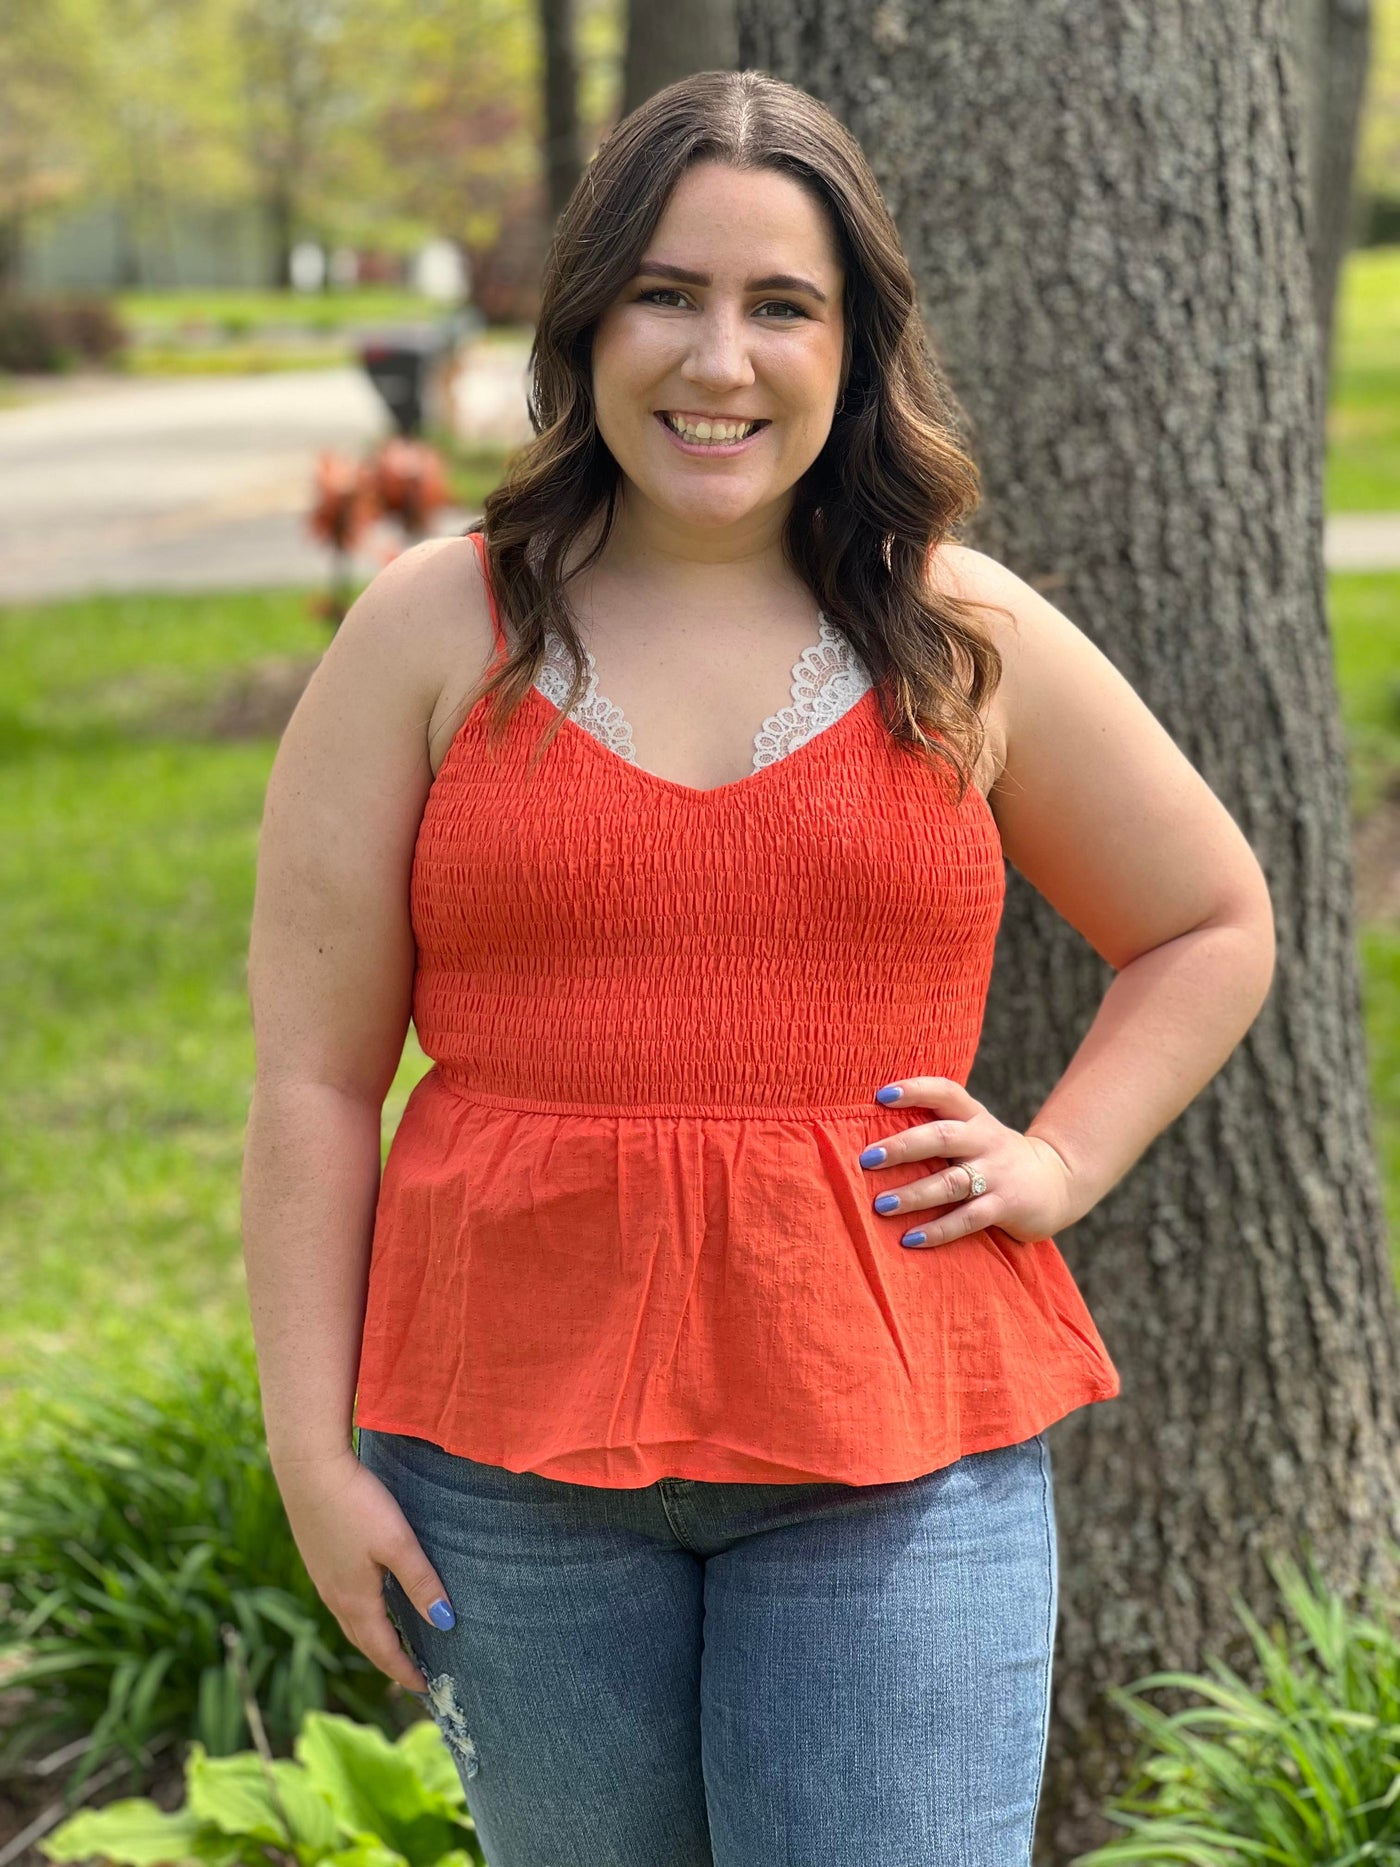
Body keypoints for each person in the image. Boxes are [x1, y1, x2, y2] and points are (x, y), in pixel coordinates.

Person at [241, 68, 1276, 1867]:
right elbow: (316, 1082)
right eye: (669, 293)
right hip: (506, 1473)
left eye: (780, 306)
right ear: (589, 321)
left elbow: (1208, 923)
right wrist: (312, 1458)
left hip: (899, 1450)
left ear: (854, 346)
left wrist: (1058, 1161)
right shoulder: (434, 625)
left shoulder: (961, 634)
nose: (718, 361)